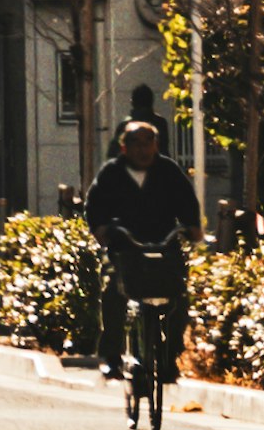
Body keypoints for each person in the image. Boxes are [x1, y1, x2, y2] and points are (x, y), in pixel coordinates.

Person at [81, 92, 201, 380]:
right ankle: (111, 356)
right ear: (123, 147)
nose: (142, 149)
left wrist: (192, 227)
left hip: (164, 246)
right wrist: (101, 229)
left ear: (156, 145)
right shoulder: (112, 173)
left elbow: (186, 202)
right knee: (112, 293)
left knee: (179, 300)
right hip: (124, 247)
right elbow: (94, 205)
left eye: (148, 143)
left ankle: (169, 356)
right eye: (135, 143)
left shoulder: (168, 171)